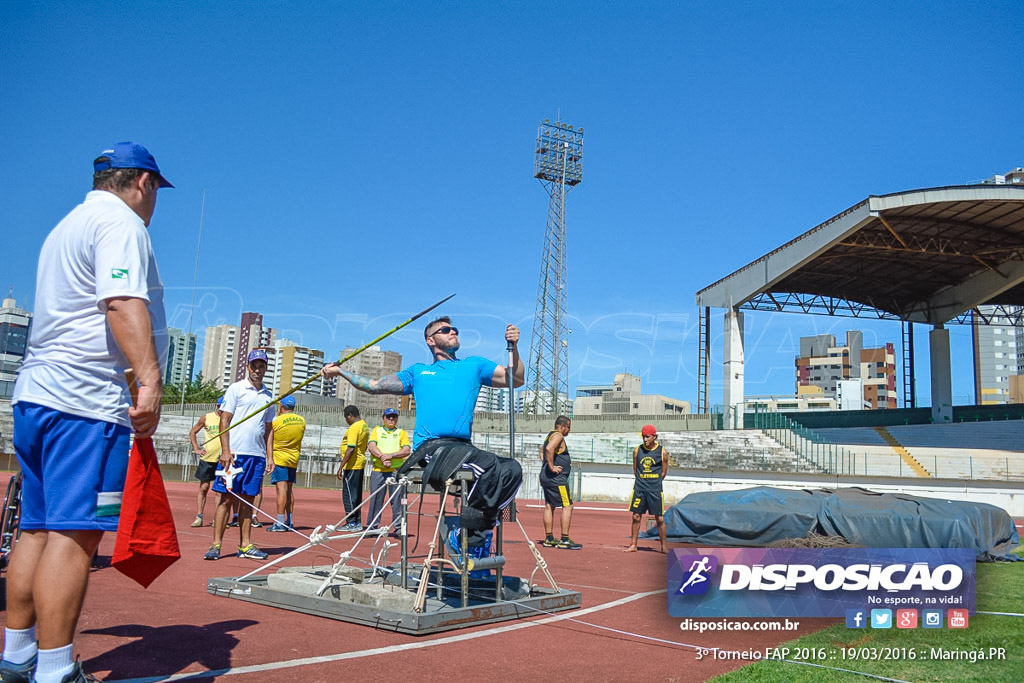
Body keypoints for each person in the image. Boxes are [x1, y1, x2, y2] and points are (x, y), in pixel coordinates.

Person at [3, 142, 171, 683]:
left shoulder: (67, 226)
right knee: (75, 534)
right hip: (84, 402)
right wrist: (148, 378)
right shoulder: (121, 224)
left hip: (39, 394)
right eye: (155, 193)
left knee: (36, 529)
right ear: (142, 183)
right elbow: (122, 301)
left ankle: (17, 654)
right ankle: (53, 671)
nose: (153, 204)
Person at [322, 316, 524, 552]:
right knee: (488, 465)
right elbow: (373, 385)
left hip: (462, 447)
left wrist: (515, 347)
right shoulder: (419, 372)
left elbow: (515, 378)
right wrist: (340, 372)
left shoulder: (474, 366)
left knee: (513, 469)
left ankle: (475, 531)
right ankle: (473, 534)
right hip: (432, 447)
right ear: (430, 340)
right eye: (446, 330)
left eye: (455, 329)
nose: (453, 332)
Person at [204, 349, 275, 561]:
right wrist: (225, 450)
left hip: (257, 456)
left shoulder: (268, 396)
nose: (257, 369)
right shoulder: (236, 389)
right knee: (225, 499)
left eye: (261, 366)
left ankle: (245, 545)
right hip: (235, 455)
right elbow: (224, 420)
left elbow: (268, 429)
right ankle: (216, 544)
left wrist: (269, 456)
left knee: (248, 501)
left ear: (266, 369)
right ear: (248, 367)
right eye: (254, 365)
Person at [365, 408, 411, 532]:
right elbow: (371, 446)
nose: (391, 419)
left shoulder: (401, 433)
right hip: (378, 470)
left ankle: (398, 528)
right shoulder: (377, 430)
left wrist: (391, 456)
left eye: (394, 417)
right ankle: (372, 527)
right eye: (388, 417)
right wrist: (382, 457)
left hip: (395, 471)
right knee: (375, 500)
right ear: (383, 418)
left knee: (397, 500)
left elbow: (406, 450)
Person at [625, 424, 669, 553]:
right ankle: (633, 544)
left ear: (654, 437)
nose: (645, 439)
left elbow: (663, 473)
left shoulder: (662, 452)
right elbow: (635, 470)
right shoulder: (637, 451)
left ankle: (663, 546)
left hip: (655, 489)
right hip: (640, 488)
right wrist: (642, 480)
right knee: (636, 516)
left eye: (648, 437)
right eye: (643, 437)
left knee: (659, 518)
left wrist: (653, 481)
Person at [539, 415, 581, 549]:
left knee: (549, 505)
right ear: (562, 426)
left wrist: (546, 464)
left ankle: (549, 538)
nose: (569, 430)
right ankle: (564, 539)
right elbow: (548, 449)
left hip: (546, 477)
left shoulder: (549, 435)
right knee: (568, 505)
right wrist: (551, 467)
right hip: (557, 479)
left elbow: (541, 450)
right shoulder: (558, 436)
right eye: (568, 427)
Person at [266, 395, 305, 532]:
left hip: (280, 458)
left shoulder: (276, 421)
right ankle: (290, 520)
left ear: (281, 406)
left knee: (281, 490)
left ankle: (280, 522)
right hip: (293, 458)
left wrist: (269, 458)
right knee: (289, 490)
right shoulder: (301, 421)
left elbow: (269, 439)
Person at [188, 396, 225, 527]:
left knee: (220, 491)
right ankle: (199, 516)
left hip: (222, 459)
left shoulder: (229, 418)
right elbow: (193, 432)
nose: (223, 410)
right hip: (208, 458)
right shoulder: (207, 417)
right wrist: (196, 448)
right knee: (204, 487)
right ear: (217, 405)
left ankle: (217, 518)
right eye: (221, 407)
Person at [337, 405, 369, 530]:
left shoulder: (354, 428)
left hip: (353, 465)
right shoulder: (364, 425)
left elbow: (351, 448)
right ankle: (357, 521)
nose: (346, 420)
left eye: (346, 418)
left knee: (349, 494)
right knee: (356, 494)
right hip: (359, 463)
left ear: (350, 415)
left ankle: (351, 522)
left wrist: (341, 466)